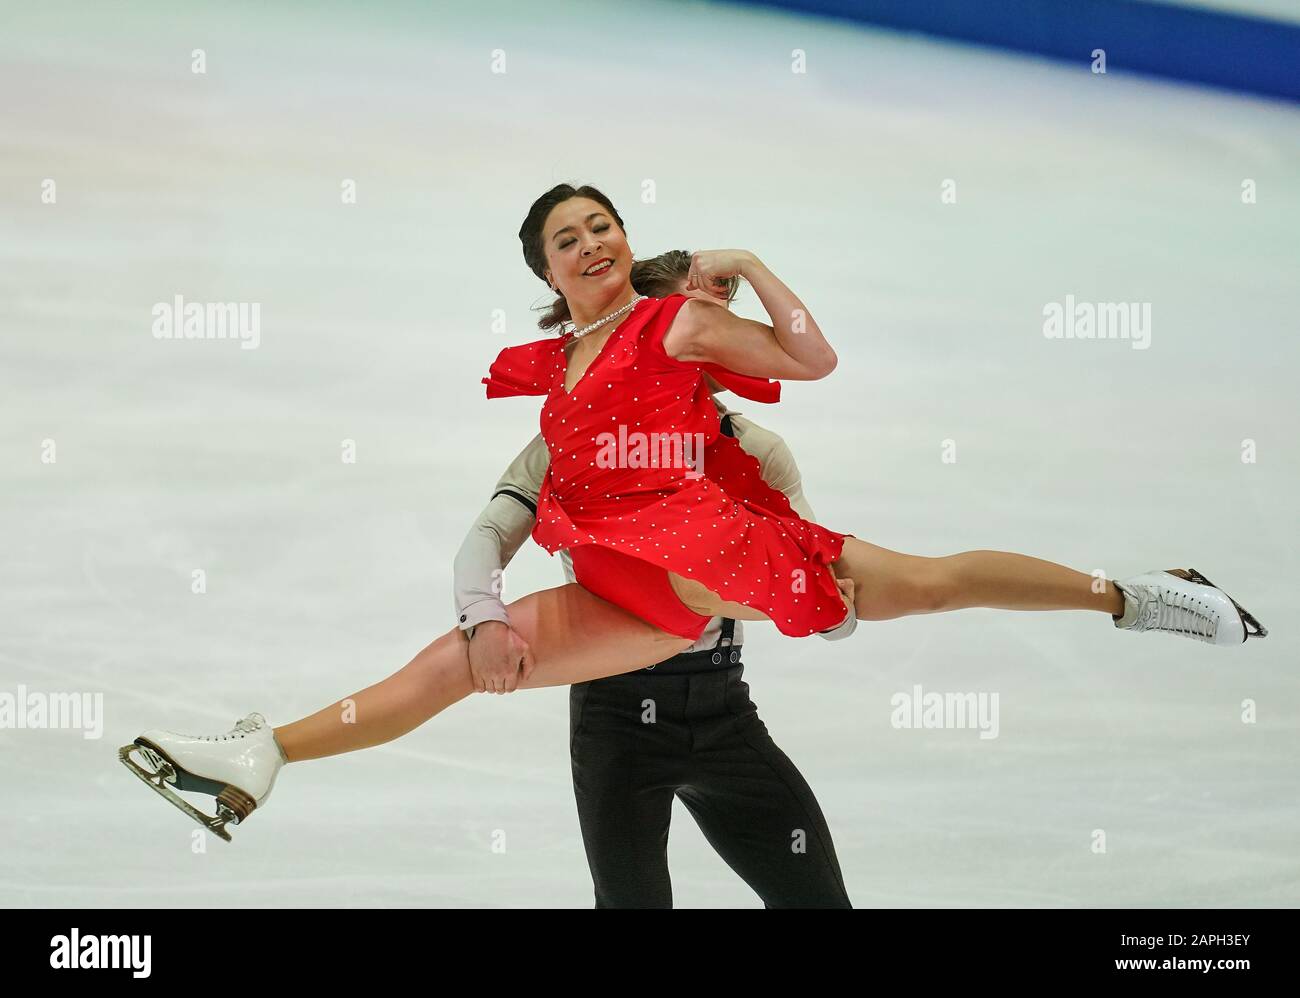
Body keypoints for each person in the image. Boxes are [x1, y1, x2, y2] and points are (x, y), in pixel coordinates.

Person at [121, 183, 1266, 854]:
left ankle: (1136, 592)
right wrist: (485, 610)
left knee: (937, 579)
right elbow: (494, 524)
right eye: (567, 236)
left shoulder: (672, 328)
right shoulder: (559, 379)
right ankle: (262, 756)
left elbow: (811, 359)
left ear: (631, 245)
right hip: (642, 594)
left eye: (603, 222)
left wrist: (752, 267)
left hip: (733, 559)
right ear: (545, 268)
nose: (590, 240)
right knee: (464, 660)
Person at [455, 250, 853, 907]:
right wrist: (483, 616)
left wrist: (821, 594)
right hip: (615, 720)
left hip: (723, 713)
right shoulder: (570, 440)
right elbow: (487, 537)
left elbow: (822, 601)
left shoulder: (755, 451)